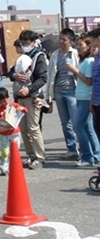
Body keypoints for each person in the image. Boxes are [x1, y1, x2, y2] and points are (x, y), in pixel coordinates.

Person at [12, 29, 49, 169]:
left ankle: (40, 157)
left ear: (33, 43)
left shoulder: (39, 56)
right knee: (23, 128)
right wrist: (14, 76)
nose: (24, 46)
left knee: (33, 127)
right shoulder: (21, 56)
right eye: (22, 43)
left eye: (26, 43)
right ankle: (31, 155)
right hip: (19, 96)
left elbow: (42, 78)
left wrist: (29, 88)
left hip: (32, 96)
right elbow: (10, 72)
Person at [46, 28, 80, 159]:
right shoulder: (55, 55)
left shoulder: (75, 54)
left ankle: (83, 148)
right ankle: (71, 148)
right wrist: (49, 95)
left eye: (64, 39)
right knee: (65, 122)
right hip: (59, 92)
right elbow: (50, 76)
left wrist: (74, 70)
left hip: (73, 91)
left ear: (70, 41)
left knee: (77, 122)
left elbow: (81, 73)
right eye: (60, 39)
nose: (61, 41)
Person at [69, 34, 100, 166]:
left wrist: (75, 71)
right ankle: (96, 154)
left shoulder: (90, 61)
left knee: (77, 126)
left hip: (87, 97)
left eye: (81, 45)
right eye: (77, 45)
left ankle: (87, 156)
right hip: (82, 96)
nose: (78, 47)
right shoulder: (83, 61)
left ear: (88, 46)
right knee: (88, 128)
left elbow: (88, 81)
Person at [0, 87, 27, 175]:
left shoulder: (14, 105)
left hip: (14, 133)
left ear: (8, 97)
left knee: (15, 151)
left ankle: (15, 165)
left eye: (5, 100)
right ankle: (4, 167)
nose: (3, 103)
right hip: (4, 134)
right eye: (0, 101)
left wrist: (21, 109)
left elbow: (25, 110)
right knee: (5, 151)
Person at [88, 27, 100, 149]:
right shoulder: (96, 56)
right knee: (97, 128)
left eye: (92, 39)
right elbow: (95, 80)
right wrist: (92, 100)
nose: (90, 41)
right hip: (97, 99)